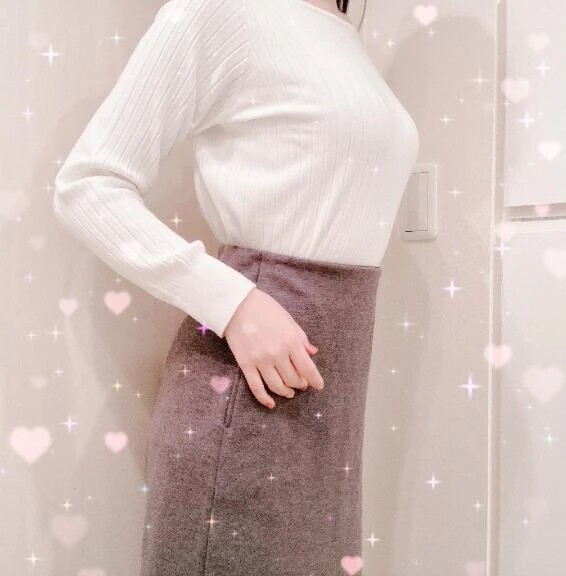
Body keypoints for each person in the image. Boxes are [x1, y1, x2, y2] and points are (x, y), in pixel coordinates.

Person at [53, 0, 419, 574]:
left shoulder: (344, 36)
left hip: (329, 410)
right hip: (245, 400)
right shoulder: (222, 11)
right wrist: (235, 303)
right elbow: (87, 185)